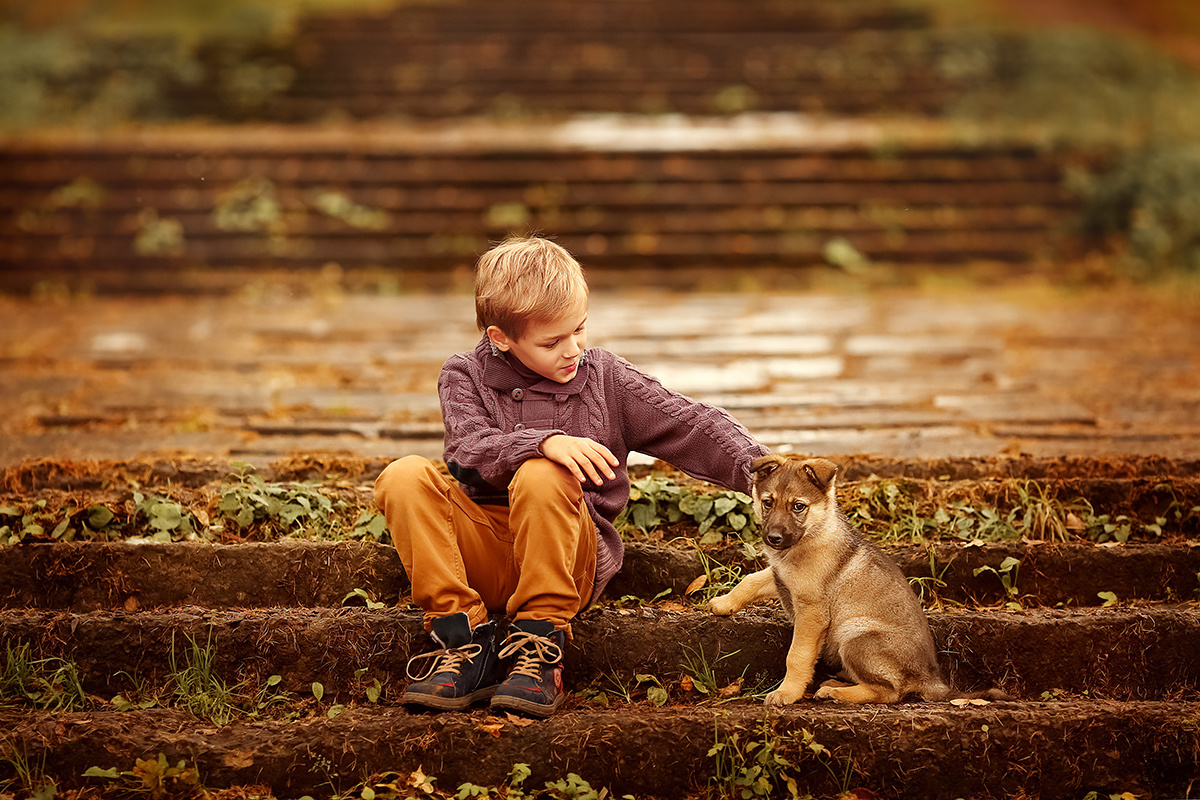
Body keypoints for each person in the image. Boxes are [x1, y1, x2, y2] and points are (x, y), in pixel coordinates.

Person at [374, 236, 768, 717]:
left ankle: (539, 646)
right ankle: (463, 641)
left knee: (544, 475)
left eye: (579, 330)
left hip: (565, 555)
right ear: (501, 338)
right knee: (403, 475)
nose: (573, 350)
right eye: (552, 341)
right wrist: (543, 441)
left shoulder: (604, 378)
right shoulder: (465, 375)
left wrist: (767, 473)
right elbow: (466, 450)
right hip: (484, 551)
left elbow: (690, 424)